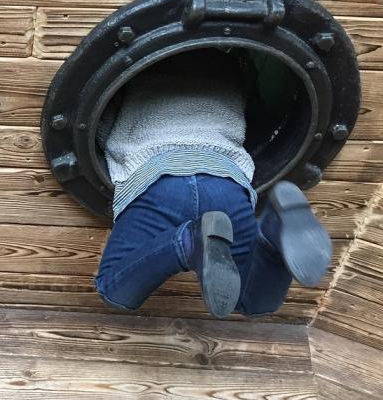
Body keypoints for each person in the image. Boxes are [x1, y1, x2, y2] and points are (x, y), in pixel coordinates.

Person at [94, 48, 332, 318]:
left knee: (113, 289)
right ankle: (273, 232)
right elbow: (257, 121)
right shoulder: (232, 69)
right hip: (226, 183)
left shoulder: (135, 72)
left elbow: (100, 125)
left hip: (157, 180)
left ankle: (189, 243)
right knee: (252, 303)